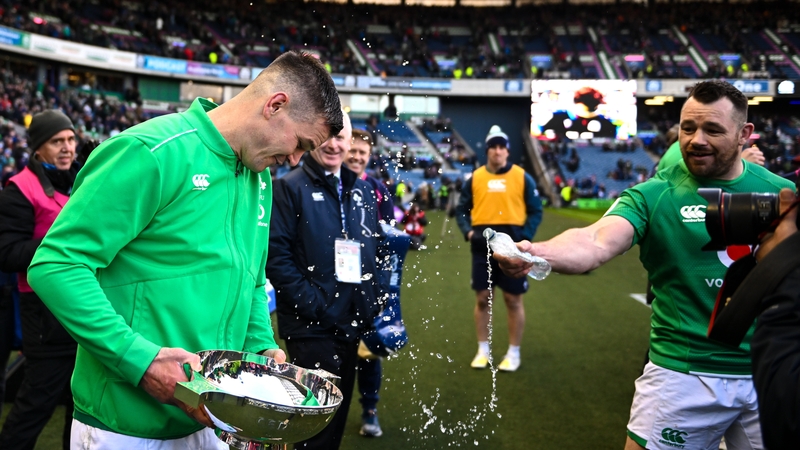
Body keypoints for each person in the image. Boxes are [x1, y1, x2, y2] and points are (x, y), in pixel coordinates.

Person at [26, 50, 343, 449]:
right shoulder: (151, 151)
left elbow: (249, 280)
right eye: (300, 143)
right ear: (275, 105)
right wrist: (138, 360)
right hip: (125, 426)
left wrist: (261, 347)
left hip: (209, 424)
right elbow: (56, 264)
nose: (295, 159)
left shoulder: (259, 179)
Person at [495, 80, 794, 449]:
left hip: (766, 372)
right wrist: (537, 252)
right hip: (682, 376)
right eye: (688, 128)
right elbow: (596, 240)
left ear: (744, 134)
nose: (696, 140)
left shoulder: (783, 194)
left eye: (713, 130)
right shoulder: (653, 195)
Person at [267, 112, 390, 450]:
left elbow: (373, 249)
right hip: (311, 328)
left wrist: (373, 304)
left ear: (351, 143)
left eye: (341, 137)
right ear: (314, 137)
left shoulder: (363, 190)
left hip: (351, 325)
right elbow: (276, 259)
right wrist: (316, 305)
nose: (334, 144)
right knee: (314, 433)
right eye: (329, 135)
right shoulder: (288, 187)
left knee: (333, 428)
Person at [0, 110, 79, 450]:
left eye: (71, 140)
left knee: (80, 409)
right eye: (56, 141)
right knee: (36, 405)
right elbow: (8, 253)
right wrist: (63, 243)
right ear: (37, 149)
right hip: (44, 314)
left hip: (82, 305)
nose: (67, 148)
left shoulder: (80, 178)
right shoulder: (18, 189)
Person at [455, 125, 543, 372]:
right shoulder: (475, 178)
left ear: (507, 151)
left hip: (514, 247)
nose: (497, 151)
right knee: (483, 298)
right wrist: (468, 232)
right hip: (481, 247)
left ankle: (513, 352)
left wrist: (525, 237)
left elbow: (536, 210)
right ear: (487, 150)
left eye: (501, 146)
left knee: (513, 299)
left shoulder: (522, 177)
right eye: (493, 146)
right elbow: (462, 209)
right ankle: (482, 350)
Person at [344, 127, 396, 438]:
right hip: (332, 285)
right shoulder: (329, 183)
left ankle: (370, 411)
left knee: (369, 353)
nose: (357, 156)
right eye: (353, 150)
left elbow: (389, 243)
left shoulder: (379, 190)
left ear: (369, 156)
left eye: (363, 152)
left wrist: (385, 289)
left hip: (369, 287)